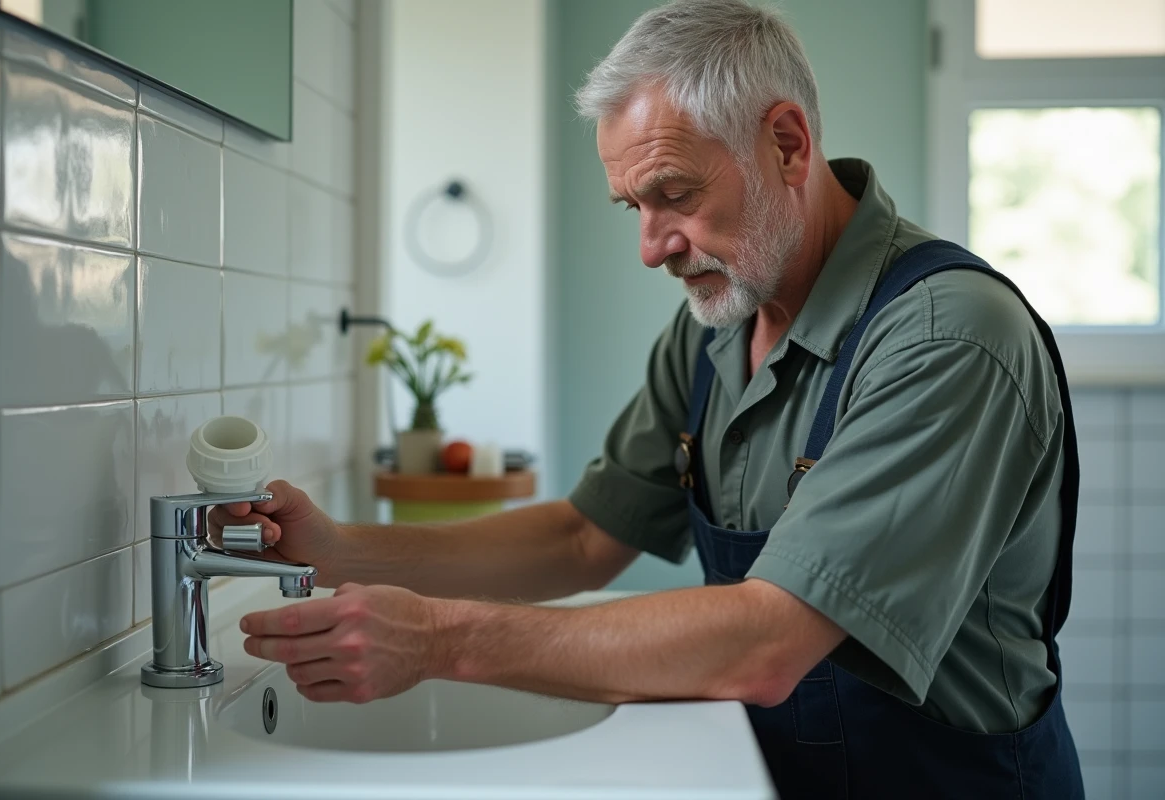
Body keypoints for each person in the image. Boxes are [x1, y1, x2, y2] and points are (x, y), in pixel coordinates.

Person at [212, 1, 1083, 796]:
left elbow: (770, 641)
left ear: (787, 143)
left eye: (675, 195)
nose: (651, 246)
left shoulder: (947, 338)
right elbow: (586, 536)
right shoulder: (715, 329)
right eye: (633, 204)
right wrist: (338, 550)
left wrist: (440, 640)